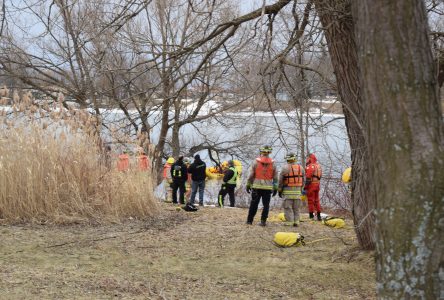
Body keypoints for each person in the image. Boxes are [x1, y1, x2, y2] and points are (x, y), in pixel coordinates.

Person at [246, 145, 278, 226]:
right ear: (269, 152)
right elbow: (275, 177)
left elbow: (251, 175)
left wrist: (248, 184)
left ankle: (249, 221)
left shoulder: (256, 162)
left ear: (261, 152)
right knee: (266, 205)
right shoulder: (273, 163)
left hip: (256, 187)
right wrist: (275, 188)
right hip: (267, 188)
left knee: (254, 204)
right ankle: (263, 221)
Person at [278, 153, 304, 227]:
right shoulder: (301, 168)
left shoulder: (285, 168)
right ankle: (296, 222)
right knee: (296, 208)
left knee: (288, 208)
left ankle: (289, 222)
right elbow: (304, 180)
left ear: (287, 159)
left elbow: (280, 181)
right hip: (298, 193)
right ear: (295, 159)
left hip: (287, 193)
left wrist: (279, 190)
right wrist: (301, 190)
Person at [304, 153, 322, 220]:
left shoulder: (310, 166)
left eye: (307, 158)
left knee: (310, 200)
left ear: (310, 158)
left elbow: (308, 178)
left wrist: (305, 187)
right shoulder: (318, 166)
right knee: (317, 200)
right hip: (317, 184)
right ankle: (319, 215)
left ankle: (311, 216)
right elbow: (320, 176)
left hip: (311, 185)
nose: (306, 160)